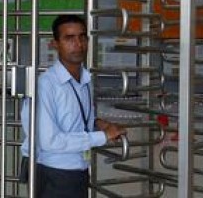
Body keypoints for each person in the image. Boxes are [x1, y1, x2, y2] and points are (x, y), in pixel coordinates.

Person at [21, 14, 126, 198]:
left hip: (79, 171)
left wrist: (99, 123)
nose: (78, 44)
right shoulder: (45, 85)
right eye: (69, 38)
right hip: (54, 174)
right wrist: (102, 137)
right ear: (54, 44)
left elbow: (79, 119)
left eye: (82, 37)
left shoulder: (85, 79)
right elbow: (49, 141)